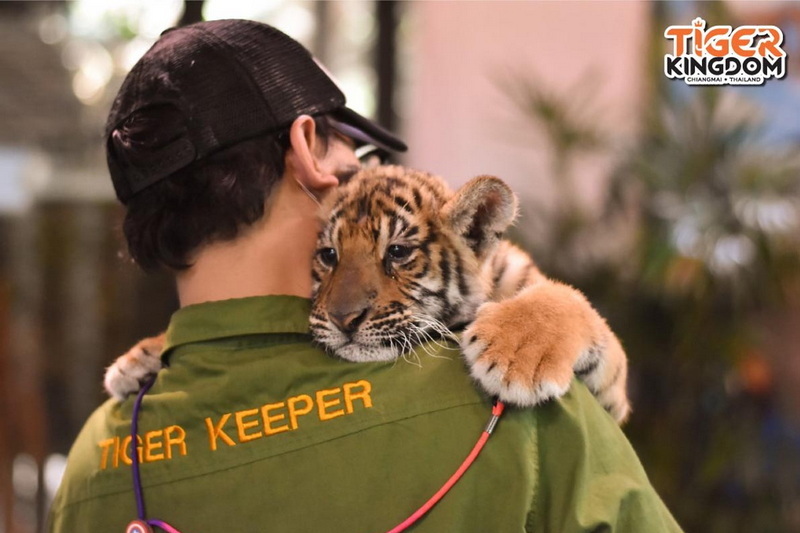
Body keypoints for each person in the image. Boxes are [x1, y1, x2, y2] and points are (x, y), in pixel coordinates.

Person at [47, 19, 682, 532]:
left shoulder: (91, 468)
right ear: (305, 148)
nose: (366, 167)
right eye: (352, 144)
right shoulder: (520, 418)